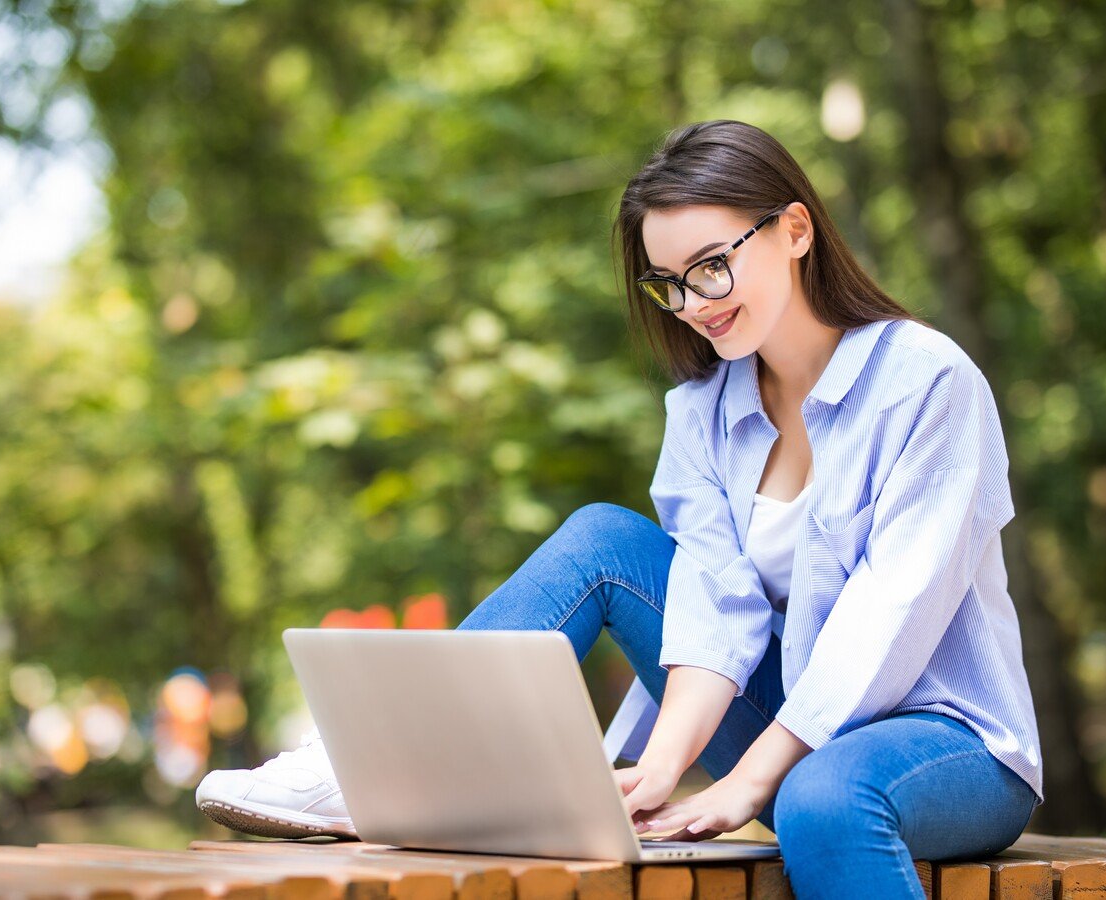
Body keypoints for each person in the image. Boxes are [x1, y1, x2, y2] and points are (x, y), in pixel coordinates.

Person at [196, 119, 1044, 897]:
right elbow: (717, 605)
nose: (696, 302)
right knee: (603, 537)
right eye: (669, 284)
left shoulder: (928, 383)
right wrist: (665, 763)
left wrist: (752, 780)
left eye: (713, 264)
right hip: (785, 723)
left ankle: (386, 766)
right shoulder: (703, 412)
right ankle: (375, 765)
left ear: (794, 229)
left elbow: (890, 615)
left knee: (820, 801)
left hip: (947, 740)